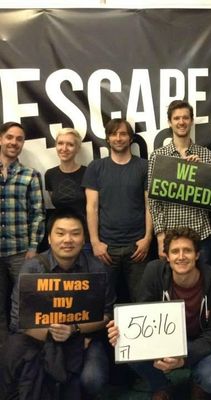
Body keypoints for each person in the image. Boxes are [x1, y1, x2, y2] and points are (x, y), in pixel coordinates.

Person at [3, 208, 115, 399]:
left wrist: (74, 329)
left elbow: (107, 315)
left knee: (93, 379)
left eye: (75, 233)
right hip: (39, 339)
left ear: (84, 239)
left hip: (85, 339)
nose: (68, 240)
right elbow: (17, 321)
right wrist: (53, 334)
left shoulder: (97, 269)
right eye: (60, 233)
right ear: (49, 238)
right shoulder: (32, 269)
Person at [108, 227, 211, 400]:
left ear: (197, 255)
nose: (181, 256)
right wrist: (123, 331)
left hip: (201, 342)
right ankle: (161, 385)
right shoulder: (154, 271)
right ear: (167, 256)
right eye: (175, 251)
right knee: (127, 349)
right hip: (163, 341)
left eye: (187, 250)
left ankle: (198, 384)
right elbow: (143, 314)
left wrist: (183, 358)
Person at [82, 118, 152, 302]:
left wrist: (147, 239)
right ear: (107, 138)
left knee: (142, 300)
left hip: (138, 247)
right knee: (101, 301)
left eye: (123, 134)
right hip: (106, 248)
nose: (118, 138)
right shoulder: (96, 167)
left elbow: (149, 205)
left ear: (130, 138)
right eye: (114, 134)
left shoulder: (144, 166)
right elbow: (91, 208)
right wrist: (95, 243)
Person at [148, 100, 211, 264]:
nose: (181, 122)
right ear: (169, 122)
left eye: (185, 117)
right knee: (170, 280)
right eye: (176, 118)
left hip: (201, 235)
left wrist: (201, 173)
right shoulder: (158, 157)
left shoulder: (206, 155)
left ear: (191, 121)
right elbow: (153, 201)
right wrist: (160, 236)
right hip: (170, 237)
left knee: (202, 279)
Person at [0, 121, 45, 347]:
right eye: (9, 137)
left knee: (24, 304)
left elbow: (38, 214)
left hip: (20, 252)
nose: (14, 142)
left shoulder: (30, 175)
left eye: (19, 139)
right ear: (1, 139)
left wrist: (33, 247)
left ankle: (20, 352)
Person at [45, 128, 89, 246]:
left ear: (77, 148)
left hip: (85, 236)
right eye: (60, 143)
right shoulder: (50, 174)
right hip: (61, 237)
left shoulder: (88, 172)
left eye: (70, 144)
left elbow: (93, 208)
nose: (64, 148)